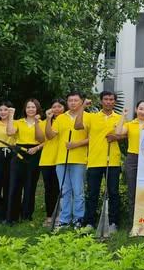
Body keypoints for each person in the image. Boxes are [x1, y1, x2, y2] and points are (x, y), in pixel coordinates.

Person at [75, 91, 122, 232]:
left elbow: (125, 134)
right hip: (94, 160)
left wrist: (117, 137)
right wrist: (82, 107)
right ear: (101, 101)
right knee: (92, 193)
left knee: (113, 193)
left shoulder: (120, 117)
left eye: (111, 99)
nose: (109, 102)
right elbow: (78, 126)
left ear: (114, 102)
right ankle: (90, 222)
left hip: (112, 160)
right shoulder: (92, 117)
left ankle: (113, 222)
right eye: (106, 99)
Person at [45, 91, 89, 229]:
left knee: (78, 191)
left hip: (79, 159)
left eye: (76, 100)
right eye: (70, 100)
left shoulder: (88, 116)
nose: (73, 103)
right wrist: (48, 119)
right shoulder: (60, 118)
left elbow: (92, 138)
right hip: (62, 159)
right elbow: (50, 135)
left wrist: (77, 144)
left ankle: (78, 218)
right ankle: (64, 219)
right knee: (64, 190)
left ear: (81, 102)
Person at [115, 100, 144, 230]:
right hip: (132, 158)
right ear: (136, 109)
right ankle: (134, 223)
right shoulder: (130, 124)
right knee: (132, 192)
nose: (143, 111)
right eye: (140, 109)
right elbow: (118, 132)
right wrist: (123, 116)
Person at [6, 99, 44, 224]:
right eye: (28, 107)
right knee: (15, 185)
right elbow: (10, 132)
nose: (31, 109)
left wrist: (37, 148)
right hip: (19, 153)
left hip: (34, 153)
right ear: (25, 109)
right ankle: (12, 217)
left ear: (37, 109)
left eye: (33, 107)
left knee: (30, 185)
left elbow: (46, 140)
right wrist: (11, 115)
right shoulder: (18, 122)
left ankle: (26, 215)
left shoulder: (42, 123)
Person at [39, 98, 65, 228]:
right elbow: (43, 138)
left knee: (61, 189)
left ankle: (61, 215)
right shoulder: (45, 122)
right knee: (49, 189)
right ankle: (50, 216)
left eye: (59, 106)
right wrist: (48, 119)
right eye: (54, 107)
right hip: (47, 159)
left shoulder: (67, 121)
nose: (56, 109)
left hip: (62, 159)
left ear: (64, 108)